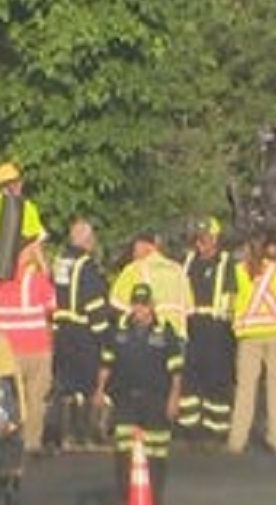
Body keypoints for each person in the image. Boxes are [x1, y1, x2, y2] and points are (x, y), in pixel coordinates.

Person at [96, 284, 184, 505]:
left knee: (156, 457)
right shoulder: (117, 330)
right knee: (123, 456)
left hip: (156, 401)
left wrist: (174, 398)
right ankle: (126, 499)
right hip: (125, 400)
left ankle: (154, 499)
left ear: (152, 306)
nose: (140, 309)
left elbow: (176, 370)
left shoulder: (165, 331)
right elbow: (106, 363)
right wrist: (99, 390)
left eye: (144, 304)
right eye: (136, 304)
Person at [50, 217, 113, 451]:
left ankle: (65, 437)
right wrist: (103, 336)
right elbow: (94, 304)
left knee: (66, 386)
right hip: (83, 333)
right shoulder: (87, 266)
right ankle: (84, 437)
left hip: (62, 331)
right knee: (87, 386)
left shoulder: (59, 262)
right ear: (86, 240)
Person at [0, 238, 55, 455]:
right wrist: (43, 266)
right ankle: (31, 443)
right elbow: (51, 307)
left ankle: (7, 442)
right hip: (37, 347)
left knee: (9, 398)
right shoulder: (36, 280)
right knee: (36, 400)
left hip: (6, 350)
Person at [228, 237, 276, 455]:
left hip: (249, 334)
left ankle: (237, 440)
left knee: (245, 389)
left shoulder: (238, 271)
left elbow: (233, 298)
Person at [177, 216, 237, 448]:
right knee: (190, 380)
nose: (202, 243)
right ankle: (190, 428)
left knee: (217, 379)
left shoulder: (226, 263)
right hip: (192, 326)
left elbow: (231, 297)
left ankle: (216, 428)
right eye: (199, 239)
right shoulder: (189, 261)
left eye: (207, 238)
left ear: (216, 239)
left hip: (216, 328)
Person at [109, 232, 192, 339]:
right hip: (179, 336)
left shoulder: (134, 269)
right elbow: (189, 310)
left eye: (135, 250)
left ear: (143, 246)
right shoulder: (178, 270)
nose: (133, 255)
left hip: (149, 338)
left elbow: (117, 307)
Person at [0, 161, 46, 274]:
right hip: (17, 275)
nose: (19, 185)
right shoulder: (25, 207)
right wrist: (45, 271)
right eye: (16, 182)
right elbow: (36, 244)